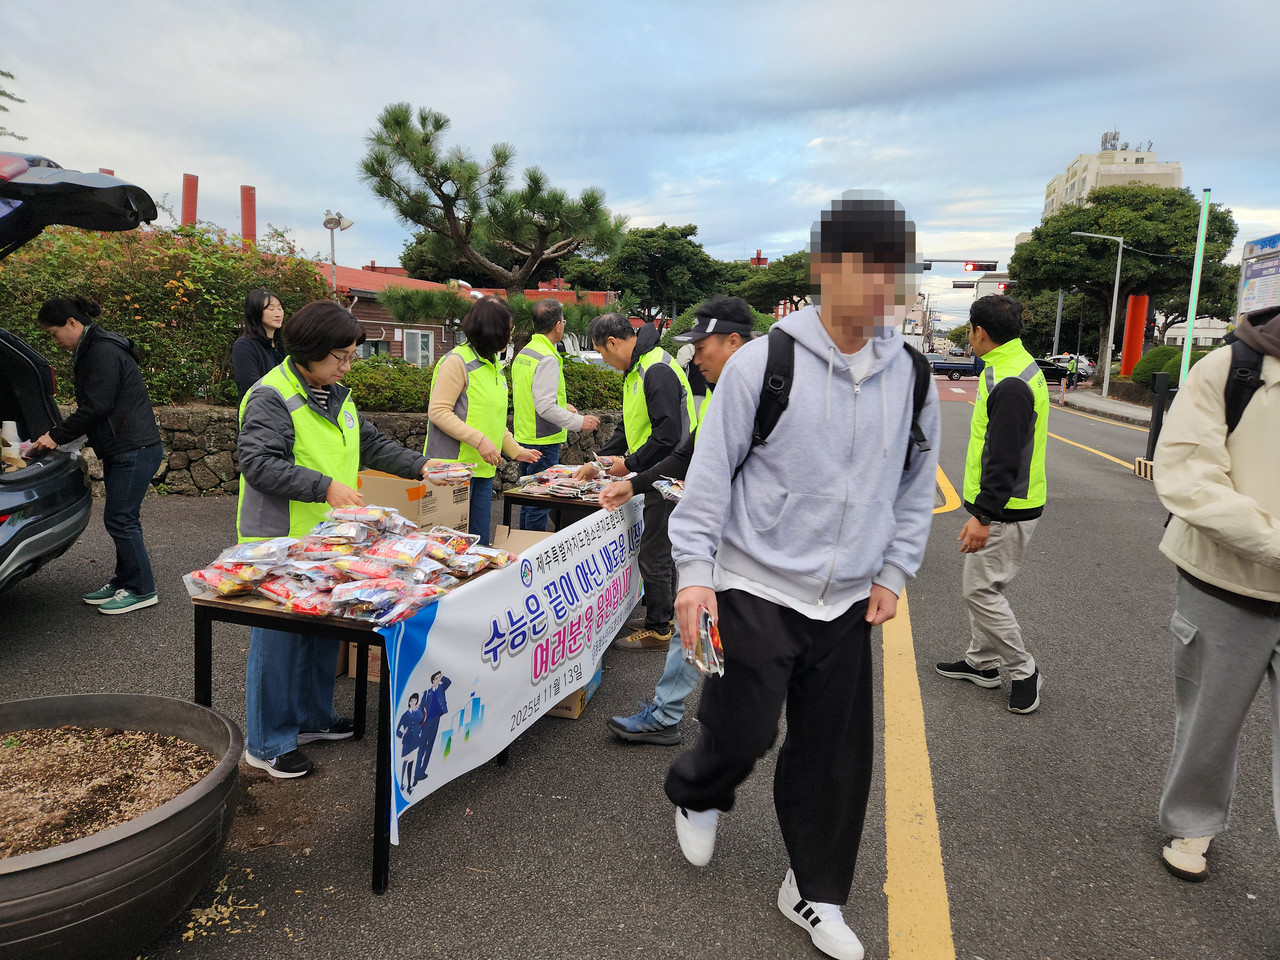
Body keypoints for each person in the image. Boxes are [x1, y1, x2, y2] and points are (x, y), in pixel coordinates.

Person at [663, 192, 940, 960]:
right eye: (866, 270)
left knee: (834, 753)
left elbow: (916, 485)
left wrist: (894, 568)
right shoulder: (764, 363)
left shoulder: (912, 376)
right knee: (744, 727)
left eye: (894, 272)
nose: (882, 288)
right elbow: (710, 479)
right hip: (756, 580)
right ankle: (700, 789)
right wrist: (694, 575)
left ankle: (813, 890)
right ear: (826, 270)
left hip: (850, 596)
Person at [237, 300, 437, 779]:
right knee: (280, 642)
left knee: (322, 633)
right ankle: (267, 742)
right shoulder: (271, 396)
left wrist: (422, 465)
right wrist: (323, 486)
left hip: (332, 542)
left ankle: (313, 716)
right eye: (340, 357)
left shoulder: (336, 394)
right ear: (307, 352)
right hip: (280, 542)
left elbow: (370, 444)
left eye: (351, 356)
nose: (347, 366)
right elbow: (258, 463)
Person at [1152, 303, 1280, 882]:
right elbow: (1187, 476)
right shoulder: (1232, 367)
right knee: (1209, 718)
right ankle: (1193, 819)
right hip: (1224, 582)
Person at [600, 295, 754, 745]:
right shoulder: (728, 388)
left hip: (760, 544)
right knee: (698, 612)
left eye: (702, 347)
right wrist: (636, 481)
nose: (696, 357)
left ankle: (733, 725)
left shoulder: (767, 390)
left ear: (732, 341)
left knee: (742, 631)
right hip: (724, 532)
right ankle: (670, 713)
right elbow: (690, 450)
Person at [935, 295, 1049, 714]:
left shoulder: (1009, 380)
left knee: (979, 592)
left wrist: (984, 514)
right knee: (986, 586)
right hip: (1013, 501)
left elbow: (1005, 455)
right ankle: (981, 664)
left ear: (979, 332)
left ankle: (1023, 670)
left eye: (969, 329)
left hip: (1006, 507)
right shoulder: (1016, 366)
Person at [31, 296, 164, 615]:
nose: (55, 340)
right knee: (124, 517)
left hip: (135, 447)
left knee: (120, 517)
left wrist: (55, 436)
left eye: (53, 332)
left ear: (72, 324)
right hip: (126, 445)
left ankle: (142, 588)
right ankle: (124, 579)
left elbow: (97, 406)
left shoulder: (101, 350)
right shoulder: (95, 347)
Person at [573, 314, 697, 649]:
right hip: (657, 472)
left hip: (667, 475)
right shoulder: (638, 369)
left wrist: (629, 465)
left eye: (602, 353)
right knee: (660, 548)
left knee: (655, 551)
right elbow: (628, 428)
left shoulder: (654, 370)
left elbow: (668, 435)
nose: (605, 361)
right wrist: (598, 462)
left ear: (613, 343)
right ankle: (662, 613)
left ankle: (658, 629)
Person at [425, 296, 540, 545]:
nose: (510, 337)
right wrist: (479, 441)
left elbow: (493, 419)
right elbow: (439, 411)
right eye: (507, 330)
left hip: (481, 470)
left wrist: (515, 450)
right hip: (452, 471)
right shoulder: (457, 362)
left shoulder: (493, 367)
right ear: (492, 330)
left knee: (477, 544)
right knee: (450, 548)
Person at [511, 299, 601, 531]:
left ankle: (522, 544)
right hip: (544, 439)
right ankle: (532, 552)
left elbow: (534, 397)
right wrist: (579, 422)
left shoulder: (525, 353)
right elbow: (545, 407)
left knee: (527, 498)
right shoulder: (548, 358)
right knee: (540, 502)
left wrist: (563, 405)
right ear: (559, 325)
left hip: (525, 434)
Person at [232, 288, 287, 399]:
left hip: (285, 411)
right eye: (271, 309)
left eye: (280, 309)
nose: (278, 314)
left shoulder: (283, 344)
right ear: (256, 312)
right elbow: (251, 386)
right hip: (259, 411)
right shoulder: (244, 346)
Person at [415, 671, 452, 785]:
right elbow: (421, 709)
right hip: (427, 721)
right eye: (436, 678)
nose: (437, 680)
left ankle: (422, 772)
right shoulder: (427, 693)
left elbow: (448, 682)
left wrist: (442, 676)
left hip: (436, 719)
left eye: (438, 678)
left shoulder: (441, 689)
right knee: (422, 747)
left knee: (429, 747)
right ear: (432, 681)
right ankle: (417, 774)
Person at [396, 693, 426, 795]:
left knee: (410, 761)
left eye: (415, 701)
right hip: (408, 740)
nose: (414, 702)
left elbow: (421, 719)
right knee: (406, 760)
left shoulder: (416, 712)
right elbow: (397, 730)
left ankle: (408, 785)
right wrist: (402, 734)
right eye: (412, 700)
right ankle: (402, 784)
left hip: (415, 740)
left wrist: (417, 710)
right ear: (409, 702)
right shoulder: (405, 715)